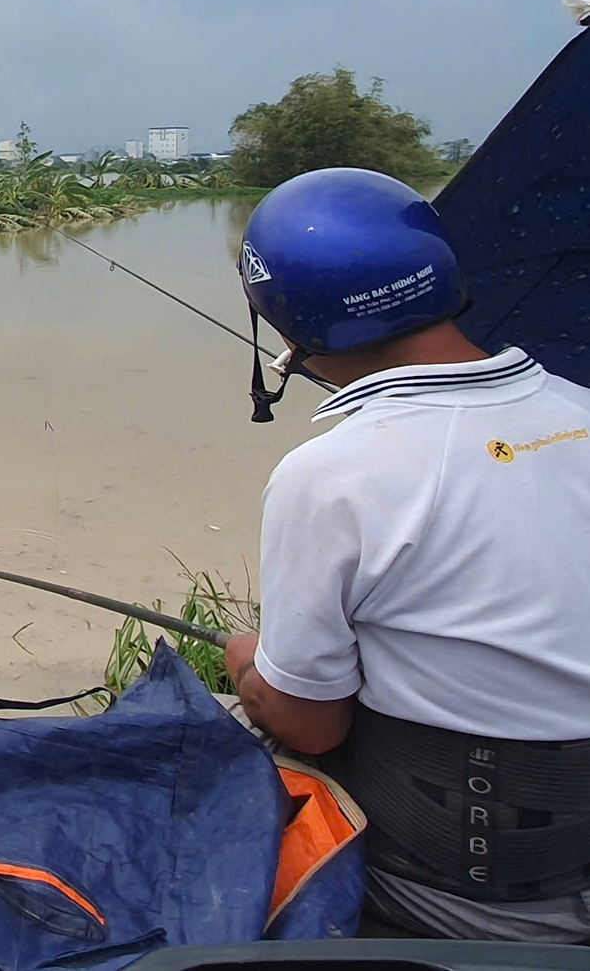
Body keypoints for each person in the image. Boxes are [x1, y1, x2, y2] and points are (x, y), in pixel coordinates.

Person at [222, 167, 590, 940]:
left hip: (473, 896)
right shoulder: (578, 406)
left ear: (289, 332)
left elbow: (310, 725)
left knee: (241, 738)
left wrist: (249, 664)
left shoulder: (329, 474)